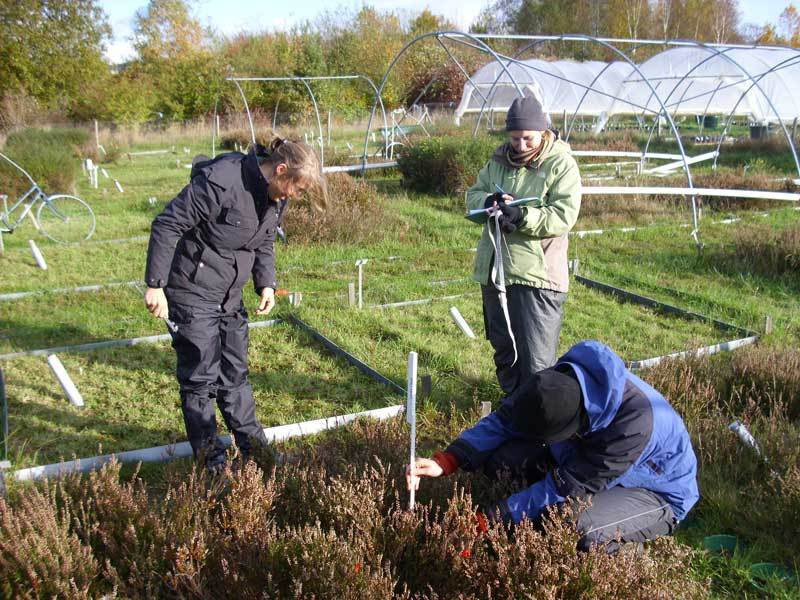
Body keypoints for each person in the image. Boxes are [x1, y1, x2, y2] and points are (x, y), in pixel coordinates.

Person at [407, 340, 699, 553]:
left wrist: (490, 521)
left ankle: (625, 554)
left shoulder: (634, 424)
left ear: (573, 429)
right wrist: (449, 459)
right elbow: (504, 421)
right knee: (503, 461)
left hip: (656, 493)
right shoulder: (552, 384)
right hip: (582, 458)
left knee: (579, 527)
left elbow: (566, 487)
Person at [144, 138, 325, 470]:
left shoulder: (275, 195)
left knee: (235, 375)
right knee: (200, 379)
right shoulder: (221, 182)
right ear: (280, 169)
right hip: (191, 290)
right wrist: (155, 285)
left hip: (228, 295)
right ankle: (212, 462)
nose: (293, 196)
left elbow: (266, 239)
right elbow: (168, 223)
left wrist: (266, 283)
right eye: (295, 188)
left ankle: (256, 451)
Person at [466, 95, 582, 395]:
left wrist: (522, 215)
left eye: (527, 138)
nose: (520, 146)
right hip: (496, 272)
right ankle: (513, 411)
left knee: (536, 362)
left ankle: (540, 427)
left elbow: (563, 215)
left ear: (543, 133)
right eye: (515, 138)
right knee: (505, 352)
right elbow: (473, 195)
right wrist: (488, 203)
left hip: (537, 277)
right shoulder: (498, 161)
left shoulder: (560, 165)